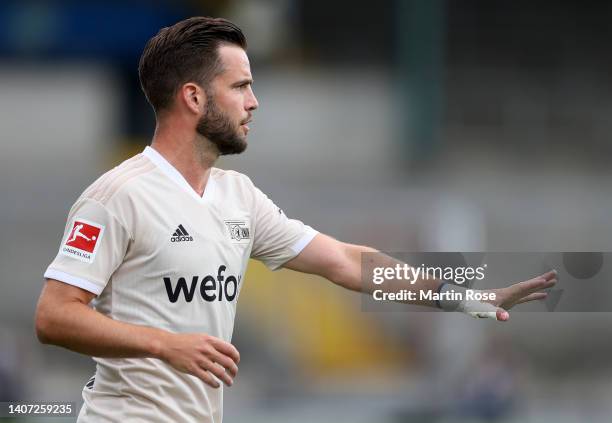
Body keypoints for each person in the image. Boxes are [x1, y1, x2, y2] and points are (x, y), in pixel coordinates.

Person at [34, 16, 556, 423]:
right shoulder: (117, 196)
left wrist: (466, 297)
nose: (254, 102)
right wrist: (163, 343)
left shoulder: (237, 196)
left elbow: (346, 262)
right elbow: (54, 316)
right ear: (193, 97)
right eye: (239, 86)